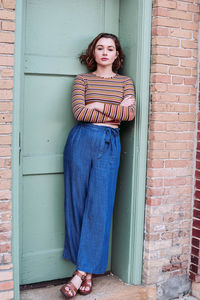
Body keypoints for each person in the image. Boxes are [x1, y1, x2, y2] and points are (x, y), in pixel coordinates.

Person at [60, 32, 136, 299]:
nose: (105, 52)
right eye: (100, 48)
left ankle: (80, 274)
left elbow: (129, 115)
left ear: (117, 54)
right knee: (77, 204)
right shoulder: (82, 80)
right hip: (81, 140)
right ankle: (88, 273)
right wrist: (114, 107)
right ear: (93, 53)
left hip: (108, 142)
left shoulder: (126, 82)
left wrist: (99, 103)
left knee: (100, 206)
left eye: (110, 48)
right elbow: (80, 113)